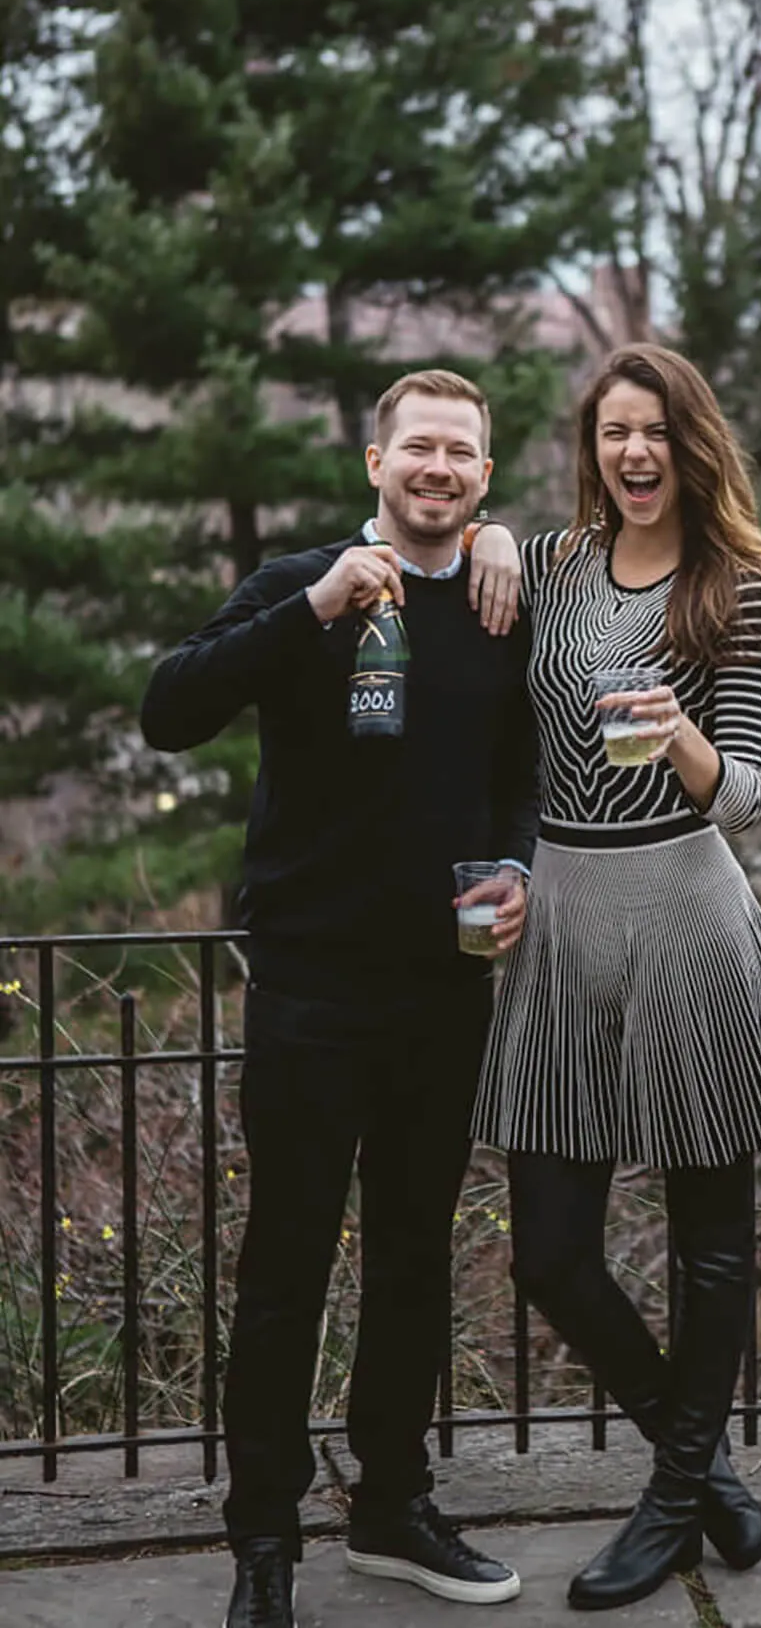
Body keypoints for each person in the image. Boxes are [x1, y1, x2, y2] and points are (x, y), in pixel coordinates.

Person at [140, 370, 537, 1628]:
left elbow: (521, 772)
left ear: (484, 475)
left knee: (415, 1258)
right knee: (287, 1265)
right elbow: (168, 708)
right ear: (377, 462)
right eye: (418, 446)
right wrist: (313, 605)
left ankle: (392, 1506)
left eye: (461, 452)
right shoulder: (300, 586)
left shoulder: (501, 599)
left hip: (446, 988)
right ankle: (264, 1536)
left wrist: (519, 865)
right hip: (310, 986)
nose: (438, 467)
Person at [469, 344, 761, 1611]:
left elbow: (751, 792)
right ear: (593, 447)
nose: (635, 451)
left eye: (657, 430)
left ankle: (671, 1505)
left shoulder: (738, 589)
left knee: (711, 1242)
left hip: (684, 913)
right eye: (615, 430)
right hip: (562, 918)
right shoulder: (554, 565)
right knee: (550, 1251)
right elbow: (493, 684)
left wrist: (682, 739)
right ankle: (706, 1469)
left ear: (692, 443)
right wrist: (493, 534)